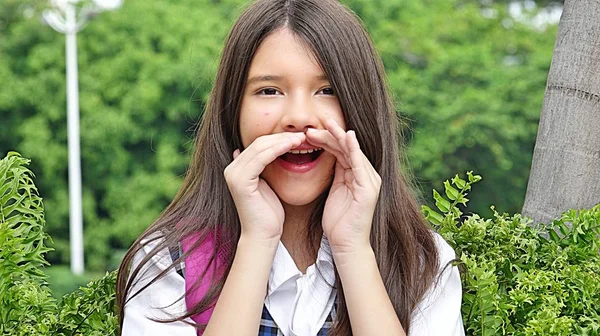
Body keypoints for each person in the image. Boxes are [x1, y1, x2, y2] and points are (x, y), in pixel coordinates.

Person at [116, 0, 465, 335]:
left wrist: (352, 250)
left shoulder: (421, 263)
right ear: (233, 110)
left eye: (327, 90)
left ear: (361, 106)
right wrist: (256, 241)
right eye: (269, 91)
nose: (298, 117)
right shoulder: (171, 260)